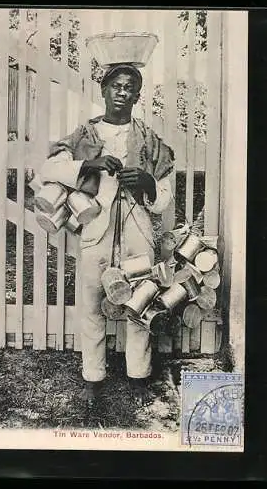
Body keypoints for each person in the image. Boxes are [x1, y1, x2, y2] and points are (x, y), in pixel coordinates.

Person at [39, 63, 175, 409]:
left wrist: (147, 184)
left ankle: (138, 376)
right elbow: (49, 168)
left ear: (137, 96)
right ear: (104, 90)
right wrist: (89, 165)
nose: (122, 92)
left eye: (130, 87)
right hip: (95, 226)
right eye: (116, 85)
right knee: (91, 301)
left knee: (140, 301)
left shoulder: (148, 139)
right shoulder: (86, 134)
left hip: (137, 228)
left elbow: (164, 197)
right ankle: (93, 378)